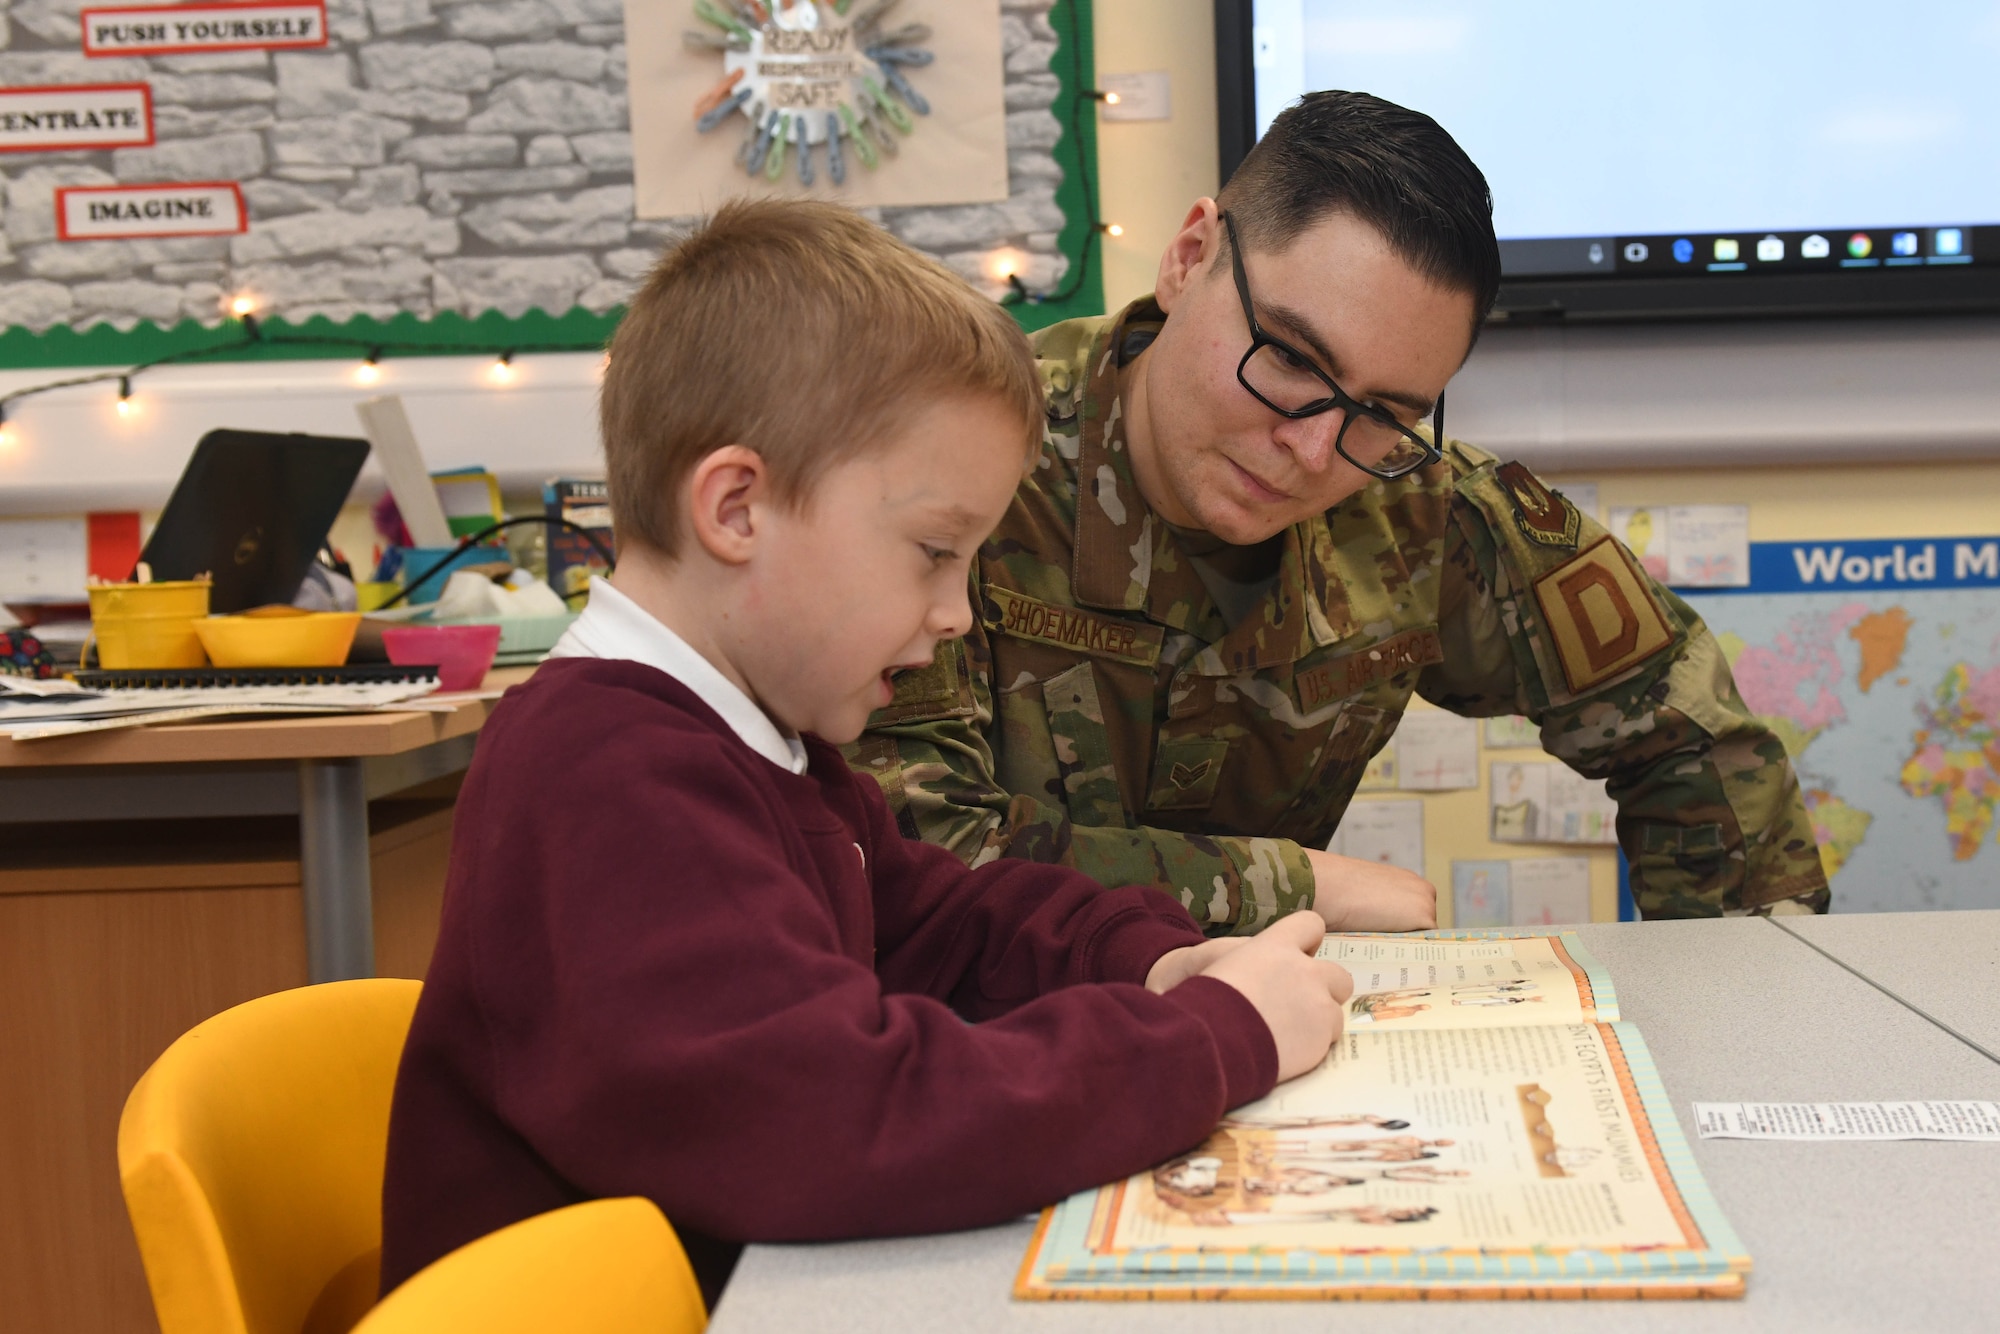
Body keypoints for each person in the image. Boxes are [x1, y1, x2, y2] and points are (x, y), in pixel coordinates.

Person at [377, 200, 1356, 1309]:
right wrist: (1208, 1040)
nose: (956, 612)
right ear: (736, 506)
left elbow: (940, 921)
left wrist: (1147, 958)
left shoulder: (757, 743)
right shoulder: (606, 780)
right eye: (936, 552)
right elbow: (838, 1117)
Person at [849, 90, 1830, 928]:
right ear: (1189, 256)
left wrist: (1731, 1024)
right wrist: (1299, 883)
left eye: (1382, 410)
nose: (1314, 449)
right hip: (970, 1057)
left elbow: (1696, 738)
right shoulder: (965, 459)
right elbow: (916, 862)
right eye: (1286, 356)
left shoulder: (1427, 511)